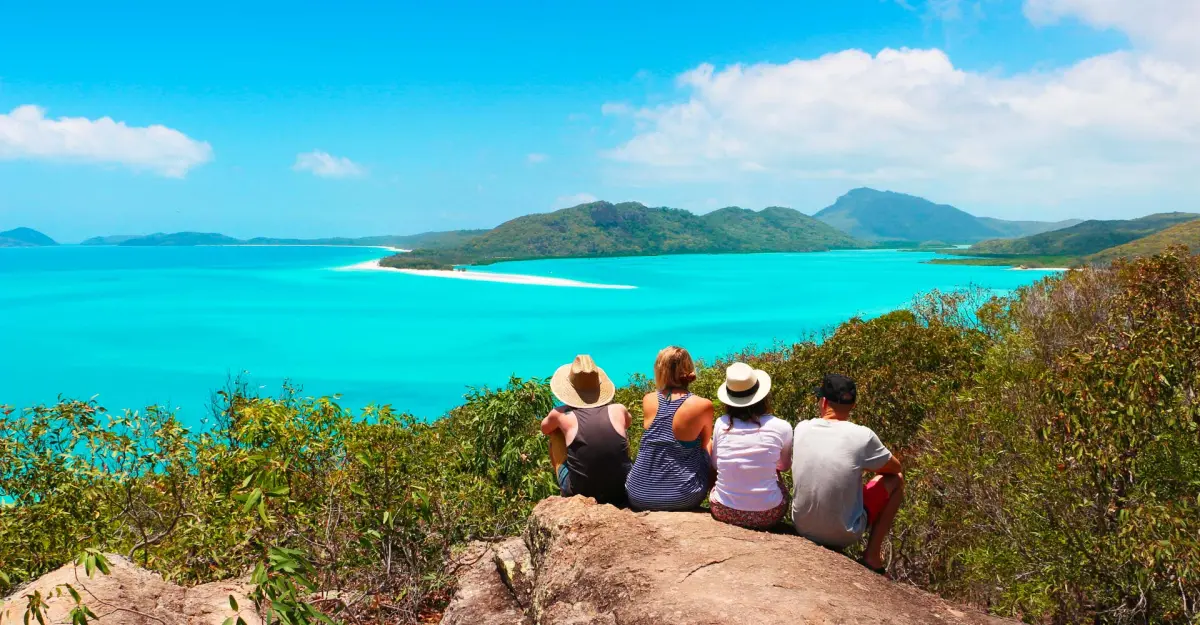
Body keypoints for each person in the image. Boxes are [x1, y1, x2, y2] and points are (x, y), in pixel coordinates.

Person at [790, 374, 904, 574]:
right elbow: (895, 469)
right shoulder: (862, 435)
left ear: (823, 402)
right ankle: (872, 557)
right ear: (853, 405)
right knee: (897, 481)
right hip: (844, 534)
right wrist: (863, 465)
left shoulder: (802, 428)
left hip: (802, 526)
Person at [625, 346, 714, 511]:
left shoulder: (648, 399)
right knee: (711, 443)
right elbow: (705, 445)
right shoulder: (703, 405)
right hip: (683, 497)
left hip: (638, 493)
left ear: (660, 370)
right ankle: (720, 503)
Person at [541, 355, 633, 507]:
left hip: (581, 492)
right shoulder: (618, 409)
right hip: (620, 490)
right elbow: (628, 423)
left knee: (556, 433)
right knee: (619, 430)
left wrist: (560, 417)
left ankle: (566, 497)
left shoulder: (560, 414)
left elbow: (545, 428)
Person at [709, 362, 793, 530]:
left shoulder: (721, 423)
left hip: (723, 509)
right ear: (762, 396)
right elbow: (784, 467)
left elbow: (715, 464)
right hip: (768, 513)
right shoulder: (782, 426)